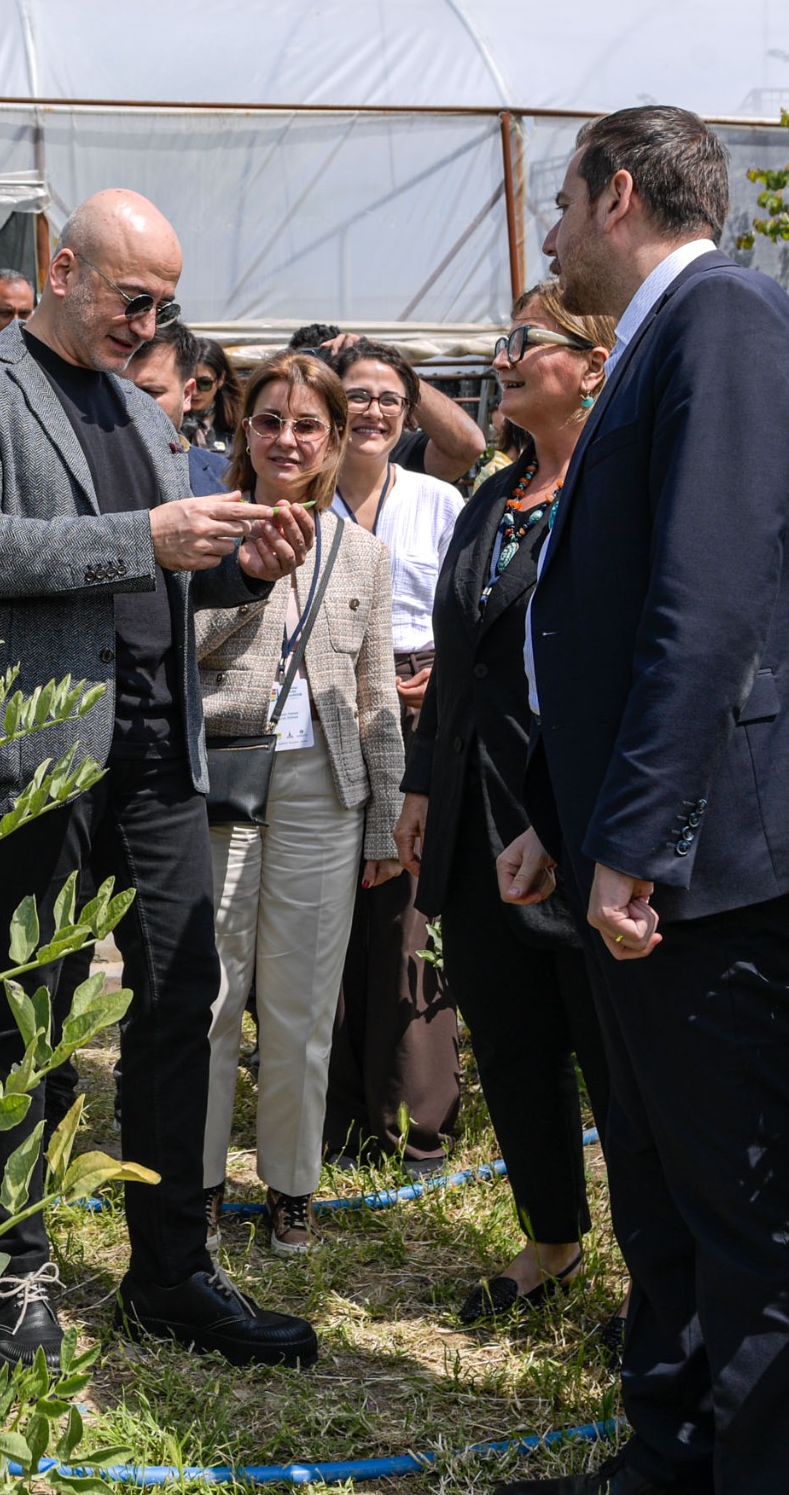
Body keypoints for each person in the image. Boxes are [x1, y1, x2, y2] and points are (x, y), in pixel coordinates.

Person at [489, 107, 789, 1495]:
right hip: (655, 851)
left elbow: (707, 604)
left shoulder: (721, 317)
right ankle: (672, 1459)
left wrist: (638, 838)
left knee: (747, 1210)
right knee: (661, 1191)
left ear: (614, 194)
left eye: (557, 205)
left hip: (702, 865)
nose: (545, 236)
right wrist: (573, 817)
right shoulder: (678, 333)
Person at [0, 188, 322, 1372]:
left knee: (179, 998)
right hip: (40, 758)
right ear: (58, 264)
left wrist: (238, 567)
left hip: (154, 755)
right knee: (24, 1014)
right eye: (129, 296)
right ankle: (15, 1265)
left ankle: (171, 1268)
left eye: (163, 305)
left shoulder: (143, 417)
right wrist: (144, 534)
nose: (147, 323)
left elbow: (170, 586)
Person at [393, 285, 617, 1332]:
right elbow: (456, 661)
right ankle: (553, 1236)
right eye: (502, 339)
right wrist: (422, 782)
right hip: (475, 818)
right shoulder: (492, 496)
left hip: (570, 818)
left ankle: (660, 1267)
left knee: (610, 1051)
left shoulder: (611, 494)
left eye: (529, 341)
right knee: (514, 1039)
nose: (504, 354)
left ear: (594, 365)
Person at [193, 351, 403, 1257]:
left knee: (302, 1003)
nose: (287, 439)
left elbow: (377, 696)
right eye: (270, 420)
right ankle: (196, 1186)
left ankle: (290, 1188)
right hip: (221, 781)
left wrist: (386, 816)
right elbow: (185, 655)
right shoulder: (203, 529)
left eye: (306, 425)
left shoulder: (363, 552)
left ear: (334, 438)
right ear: (245, 429)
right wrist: (253, 570)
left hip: (325, 788)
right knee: (207, 996)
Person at [320, 341, 466, 1175]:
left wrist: (437, 682)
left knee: (409, 912)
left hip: (420, 713)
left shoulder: (439, 501)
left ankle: (413, 1120)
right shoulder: (301, 505)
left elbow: (468, 608)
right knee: (329, 913)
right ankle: (337, 1116)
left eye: (388, 398)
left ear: (408, 414)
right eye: (357, 396)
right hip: (331, 716)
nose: (372, 411)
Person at [286, 324, 485, 485]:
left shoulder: (385, 444)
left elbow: (468, 446)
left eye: (387, 399)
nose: (374, 413)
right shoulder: (282, 448)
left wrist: (385, 365)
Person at [124, 324, 232, 496]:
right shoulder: (83, 466)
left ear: (187, 394)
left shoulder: (224, 478)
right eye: (119, 390)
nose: (132, 403)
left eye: (151, 392)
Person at [186, 340, 237, 452]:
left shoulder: (238, 426)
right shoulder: (167, 422)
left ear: (220, 379)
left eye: (204, 383)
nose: (194, 392)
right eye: (188, 383)